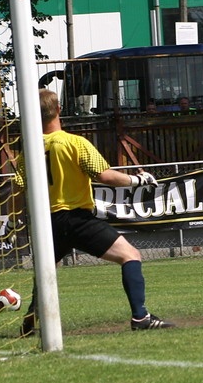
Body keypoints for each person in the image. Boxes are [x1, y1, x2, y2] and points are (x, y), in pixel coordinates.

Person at [15, 89, 175, 335]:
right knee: (130, 255)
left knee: (48, 269)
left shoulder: (29, 150)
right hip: (75, 218)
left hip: (46, 222)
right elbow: (104, 175)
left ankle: (31, 319)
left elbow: (20, 187)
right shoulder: (74, 142)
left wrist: (15, 219)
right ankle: (141, 317)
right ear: (58, 110)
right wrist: (137, 181)